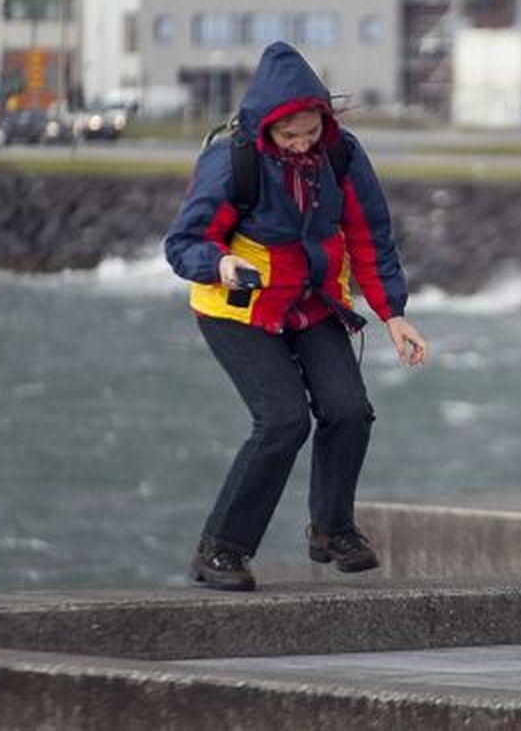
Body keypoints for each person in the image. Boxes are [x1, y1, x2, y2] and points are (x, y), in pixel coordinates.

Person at [164, 42, 428, 592]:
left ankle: (332, 530)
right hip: (238, 306)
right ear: (267, 128)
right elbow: (184, 242)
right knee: (283, 420)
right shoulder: (231, 158)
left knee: (350, 410)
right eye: (291, 136)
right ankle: (221, 550)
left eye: (311, 131)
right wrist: (221, 263)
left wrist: (393, 315)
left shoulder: (342, 154)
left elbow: (369, 236)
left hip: (313, 303)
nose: (303, 144)